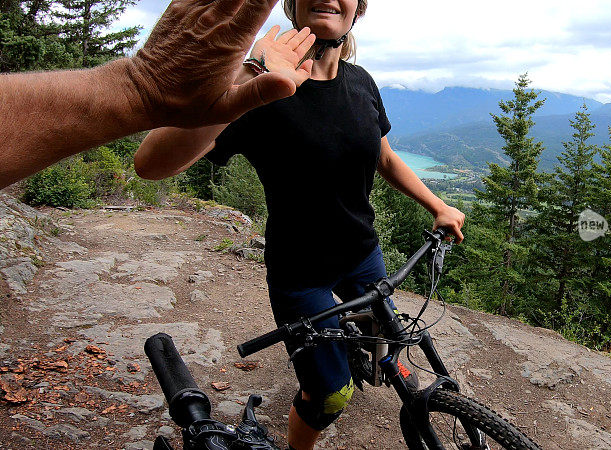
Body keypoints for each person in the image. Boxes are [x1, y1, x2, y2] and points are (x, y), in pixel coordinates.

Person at [134, 1, 465, 448]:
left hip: (362, 252)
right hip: (300, 271)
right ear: (291, 5)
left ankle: (355, 352)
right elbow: (151, 163)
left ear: (358, 10)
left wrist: (436, 204)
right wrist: (251, 75)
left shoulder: (361, 82)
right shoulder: (262, 91)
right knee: (329, 395)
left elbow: (383, 155)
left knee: (388, 337)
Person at [0, 0, 299, 190]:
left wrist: (142, 85)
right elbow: (151, 164)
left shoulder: (349, 83)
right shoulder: (252, 84)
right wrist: (251, 70)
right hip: (297, 280)